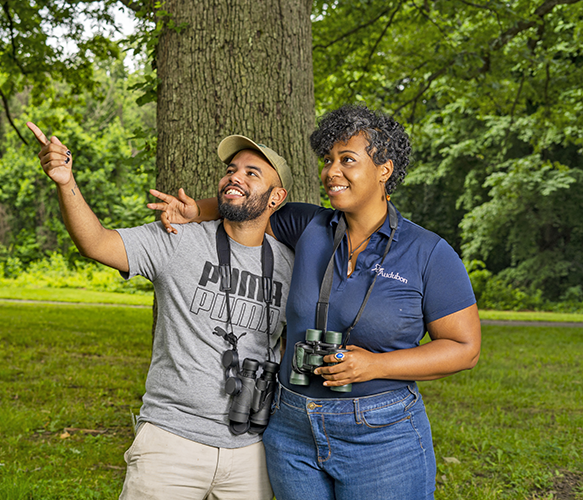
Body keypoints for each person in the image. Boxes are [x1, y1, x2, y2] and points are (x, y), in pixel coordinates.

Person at [149, 104, 482, 499]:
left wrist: (374, 365)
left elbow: (464, 349)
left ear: (384, 169)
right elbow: (251, 206)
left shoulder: (428, 252)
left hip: (381, 435)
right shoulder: (308, 225)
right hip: (291, 431)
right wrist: (196, 210)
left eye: (347, 160)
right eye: (328, 160)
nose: (331, 172)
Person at [27, 122, 295, 500]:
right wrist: (65, 181)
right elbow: (96, 242)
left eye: (252, 173)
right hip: (171, 441)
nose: (235, 177)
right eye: (231, 170)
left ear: (275, 197)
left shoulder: (291, 265)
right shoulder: (177, 240)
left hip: (252, 449)